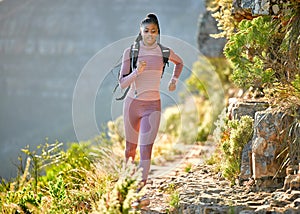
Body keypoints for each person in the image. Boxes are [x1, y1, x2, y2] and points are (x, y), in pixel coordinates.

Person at [119, 13, 183, 202]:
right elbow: (122, 83)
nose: (149, 34)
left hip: (153, 106)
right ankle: (126, 186)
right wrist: (136, 72)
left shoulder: (164, 52)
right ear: (141, 32)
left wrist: (174, 79)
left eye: (153, 31)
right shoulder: (130, 52)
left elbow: (179, 63)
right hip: (132, 105)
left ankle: (139, 190)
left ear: (158, 33)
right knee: (130, 149)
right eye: (146, 31)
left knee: (146, 148)